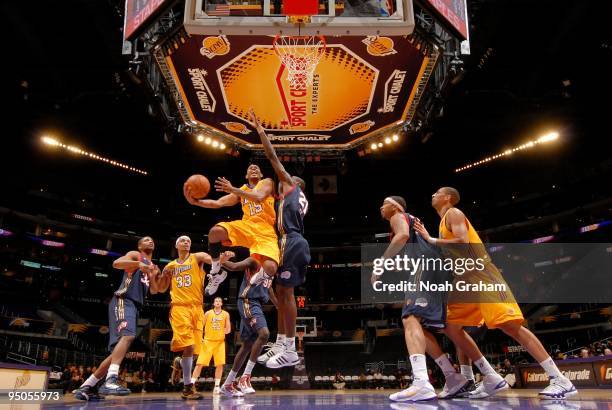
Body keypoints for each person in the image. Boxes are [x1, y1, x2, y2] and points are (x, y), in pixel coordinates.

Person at [415, 186, 577, 400]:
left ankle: (560, 380)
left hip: (481, 275)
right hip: (464, 279)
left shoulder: (454, 213)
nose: (433, 195)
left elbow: (463, 241)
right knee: (450, 326)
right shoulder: (442, 222)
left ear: (448, 197)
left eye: (437, 192)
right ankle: (489, 377)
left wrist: (431, 240)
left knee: (511, 327)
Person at [375, 197, 468, 402]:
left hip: (426, 267)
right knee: (420, 326)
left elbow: (402, 236)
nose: (381, 207)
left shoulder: (397, 216)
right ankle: (452, 377)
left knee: (409, 318)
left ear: (395, 206)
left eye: (384, 203)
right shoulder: (411, 219)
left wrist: (381, 264)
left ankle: (421, 383)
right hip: (435, 267)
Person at [248, 109, 311, 369]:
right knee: (282, 292)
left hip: (292, 241)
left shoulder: (292, 187)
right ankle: (281, 341)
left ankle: (289, 349)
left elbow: (273, 159)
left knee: (287, 295)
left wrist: (261, 132)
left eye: (284, 179)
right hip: (290, 241)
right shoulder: (288, 200)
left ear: (293, 183)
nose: (280, 180)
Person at [75, 236, 159, 401]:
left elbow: (155, 291)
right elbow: (117, 263)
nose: (150, 241)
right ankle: (111, 380)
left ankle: (86, 387)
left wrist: (155, 274)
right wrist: (137, 264)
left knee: (116, 353)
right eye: (146, 240)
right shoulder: (136, 255)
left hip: (135, 306)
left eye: (152, 240)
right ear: (139, 245)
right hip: (124, 300)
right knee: (127, 336)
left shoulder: (152, 265)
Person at [183, 164, 280, 298]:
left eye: (257, 168)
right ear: (246, 175)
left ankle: (260, 278)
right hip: (247, 227)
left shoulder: (267, 182)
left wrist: (233, 189)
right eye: (250, 168)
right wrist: (195, 202)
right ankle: (216, 267)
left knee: (271, 268)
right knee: (215, 232)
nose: (253, 169)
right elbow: (218, 203)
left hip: (266, 231)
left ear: (261, 175)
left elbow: (258, 197)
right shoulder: (242, 190)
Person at [155, 235, 213, 400]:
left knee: (193, 350)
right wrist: (159, 275)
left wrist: (218, 259)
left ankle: (180, 363)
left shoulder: (197, 258)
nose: (186, 242)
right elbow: (160, 289)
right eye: (182, 240)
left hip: (197, 308)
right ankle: (188, 386)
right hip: (180, 308)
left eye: (188, 240)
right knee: (187, 343)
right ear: (176, 245)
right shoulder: (170, 266)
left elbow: (210, 259)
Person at [217, 251, 278, 396]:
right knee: (264, 334)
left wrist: (278, 305)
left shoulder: (271, 267)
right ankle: (245, 377)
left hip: (256, 303)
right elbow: (233, 266)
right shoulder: (253, 261)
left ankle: (227, 384)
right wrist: (220, 260)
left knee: (247, 345)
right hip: (248, 301)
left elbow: (269, 288)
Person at [190, 297, 231, 395]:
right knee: (199, 364)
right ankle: (191, 384)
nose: (217, 302)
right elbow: (200, 326)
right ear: (213, 303)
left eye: (219, 301)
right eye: (216, 301)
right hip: (207, 342)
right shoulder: (208, 313)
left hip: (220, 342)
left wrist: (223, 331)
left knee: (220, 365)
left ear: (221, 304)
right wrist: (200, 338)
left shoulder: (226, 314)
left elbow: (228, 330)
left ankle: (216, 387)